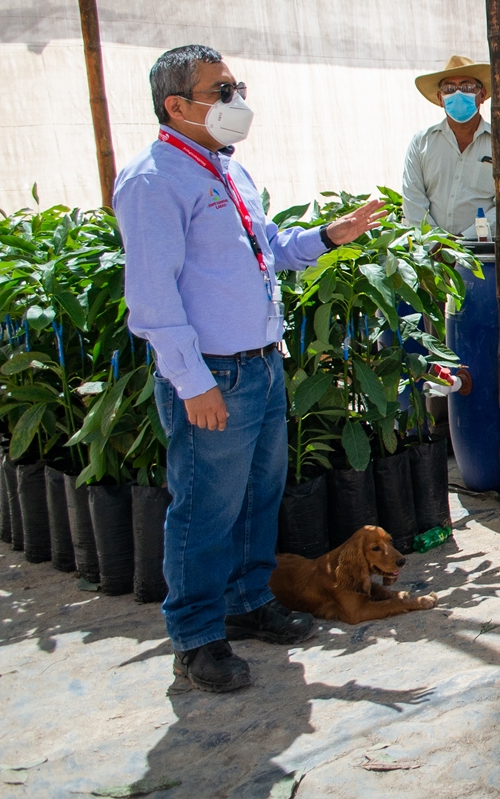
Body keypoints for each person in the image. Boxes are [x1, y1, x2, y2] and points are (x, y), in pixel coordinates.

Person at [114, 44, 386, 692]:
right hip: (214, 374)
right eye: (221, 90)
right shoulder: (153, 180)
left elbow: (268, 250)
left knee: (257, 499)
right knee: (204, 508)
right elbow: (153, 299)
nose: (237, 101)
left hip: (260, 367)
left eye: (237, 85)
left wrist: (328, 236)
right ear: (176, 105)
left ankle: (246, 601)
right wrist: (194, 382)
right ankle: (197, 635)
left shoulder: (227, 171)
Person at [402, 55, 495, 239]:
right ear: (440, 98)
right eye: (450, 88)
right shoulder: (422, 142)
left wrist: (462, 240)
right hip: (431, 252)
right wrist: (436, 243)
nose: (458, 93)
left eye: (467, 87)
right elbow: (413, 200)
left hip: (484, 250)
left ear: (482, 94)